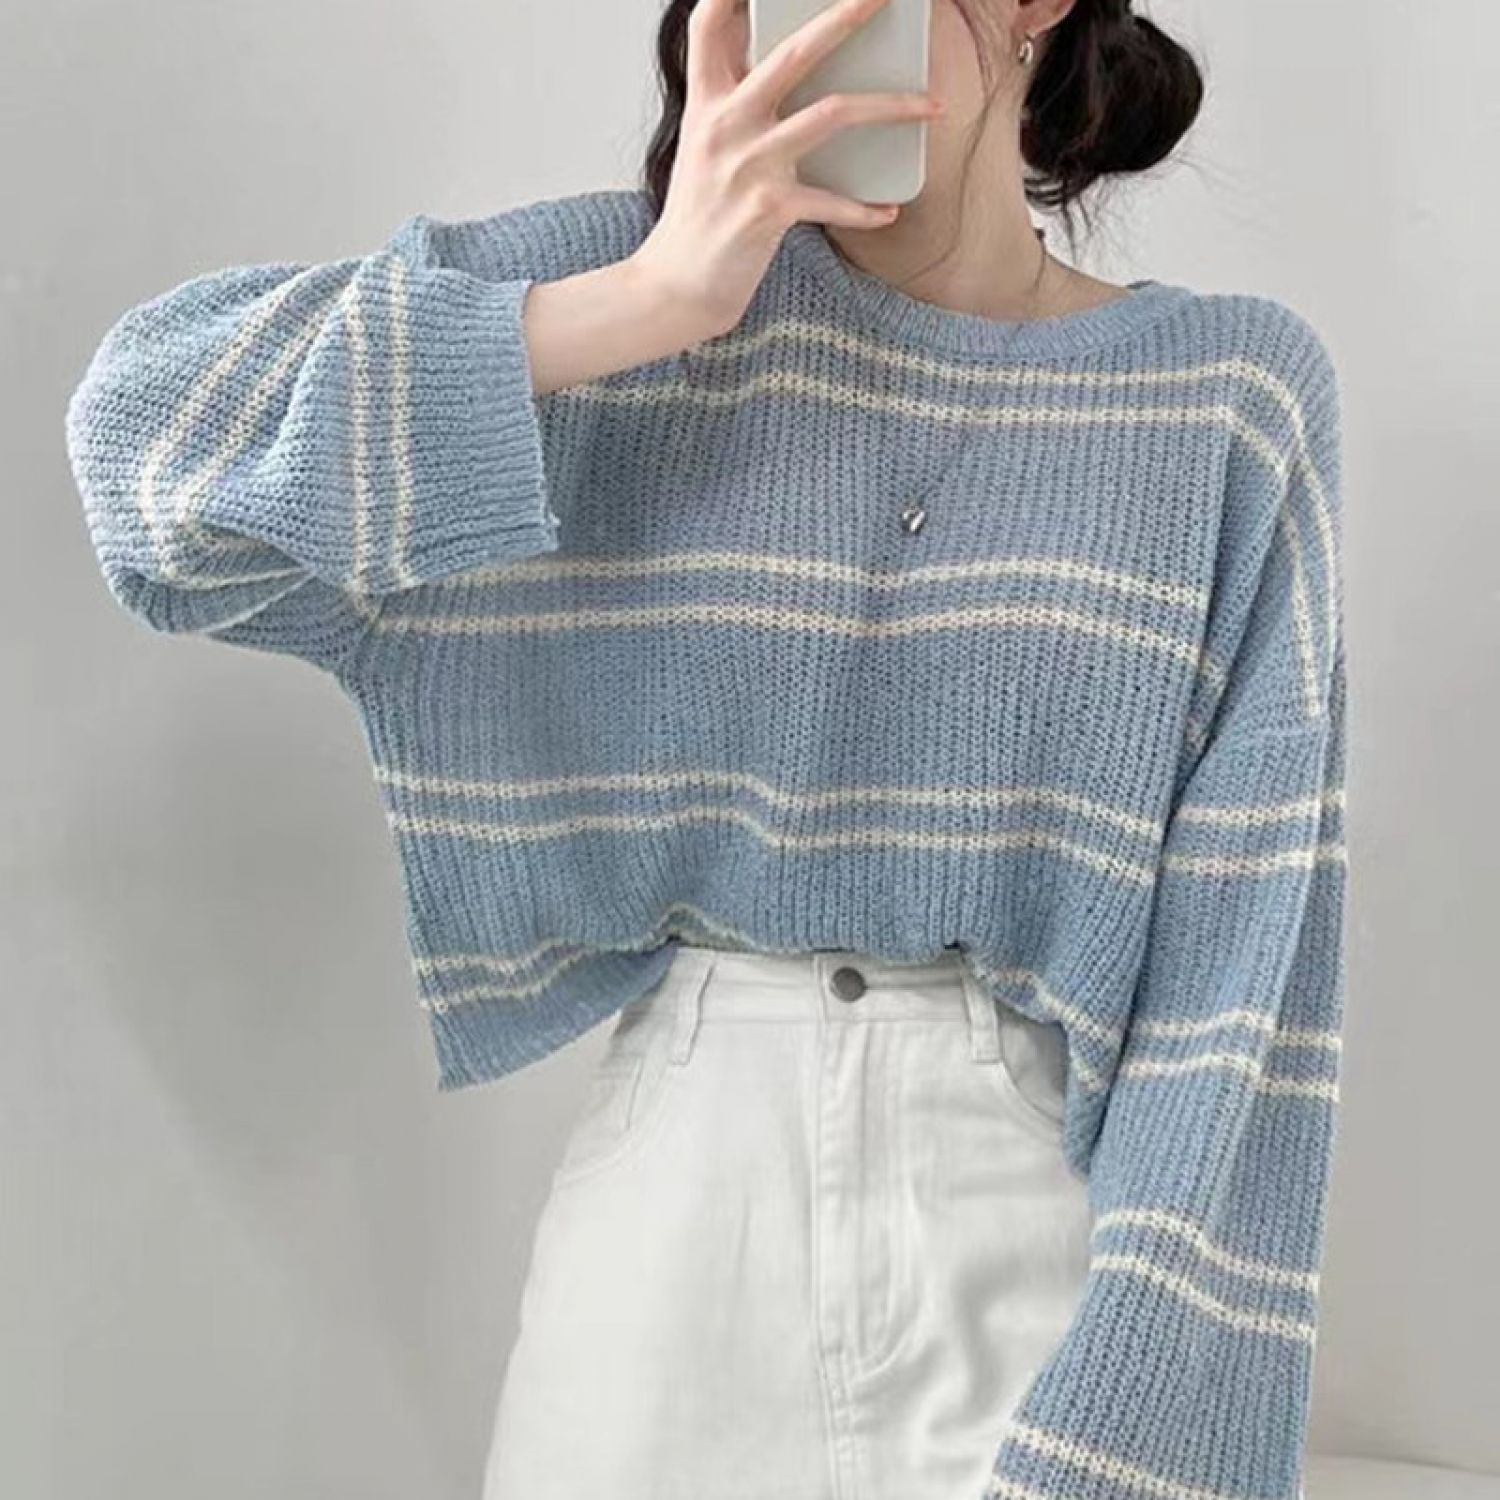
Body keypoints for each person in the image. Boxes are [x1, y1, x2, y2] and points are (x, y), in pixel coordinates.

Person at [62, 1, 1348, 1498]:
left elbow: (1239, 1022)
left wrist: (1129, 1427)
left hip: (1032, 1253)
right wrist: (641, 302)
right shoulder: (636, 299)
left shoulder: (1227, 401)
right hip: (667, 1260)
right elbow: (144, 457)